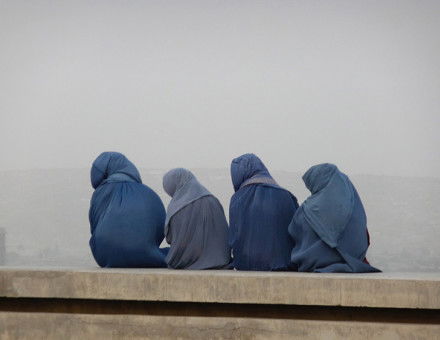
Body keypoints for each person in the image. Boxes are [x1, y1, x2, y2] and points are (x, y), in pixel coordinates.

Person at [289, 163, 380, 273]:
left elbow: (294, 233)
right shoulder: (354, 207)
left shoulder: (305, 211)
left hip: (312, 263)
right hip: (354, 261)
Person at [89, 152, 167, 268]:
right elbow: (161, 225)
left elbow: (94, 224)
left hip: (105, 256)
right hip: (146, 254)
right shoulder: (149, 193)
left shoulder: (100, 192)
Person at [229, 153, 299, 271]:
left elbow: (234, 238)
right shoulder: (286, 195)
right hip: (285, 267)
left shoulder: (238, 199)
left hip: (246, 267)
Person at [163, 168, 231, 269]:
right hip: (222, 260)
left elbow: (170, 238)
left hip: (184, 261)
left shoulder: (176, 208)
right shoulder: (213, 199)